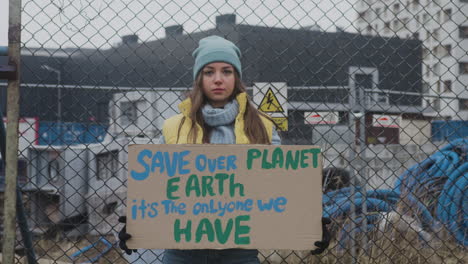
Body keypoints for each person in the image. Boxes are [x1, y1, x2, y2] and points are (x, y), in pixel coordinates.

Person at [118, 35, 331, 263]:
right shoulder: (174, 126)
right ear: (199, 78)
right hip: (182, 253)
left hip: (239, 251)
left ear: (236, 77)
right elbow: (157, 187)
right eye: (209, 72)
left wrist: (310, 221)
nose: (218, 79)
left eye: (226, 71)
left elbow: (280, 187)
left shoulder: (262, 125)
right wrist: (137, 225)